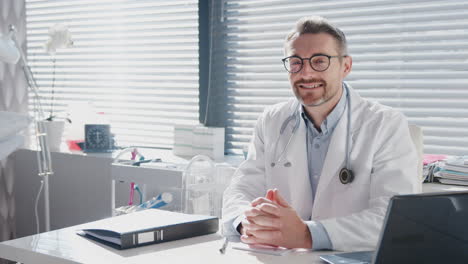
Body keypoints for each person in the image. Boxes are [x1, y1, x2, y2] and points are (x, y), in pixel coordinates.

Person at [221, 16, 421, 251]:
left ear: (345, 66)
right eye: (296, 62)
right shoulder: (272, 120)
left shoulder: (386, 125)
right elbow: (241, 189)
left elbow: (394, 220)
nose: (306, 73)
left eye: (319, 61)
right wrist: (246, 223)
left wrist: (308, 235)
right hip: (285, 258)